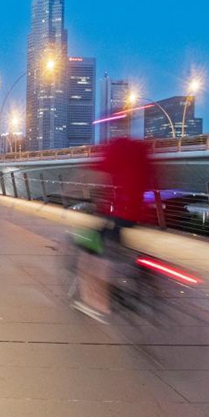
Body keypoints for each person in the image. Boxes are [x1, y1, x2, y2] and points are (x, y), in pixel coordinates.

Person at [71, 137, 154, 322]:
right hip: (143, 214)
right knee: (123, 248)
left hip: (119, 214)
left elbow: (94, 173)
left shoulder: (116, 147)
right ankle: (145, 277)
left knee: (91, 251)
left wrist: (71, 191)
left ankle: (97, 303)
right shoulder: (142, 148)